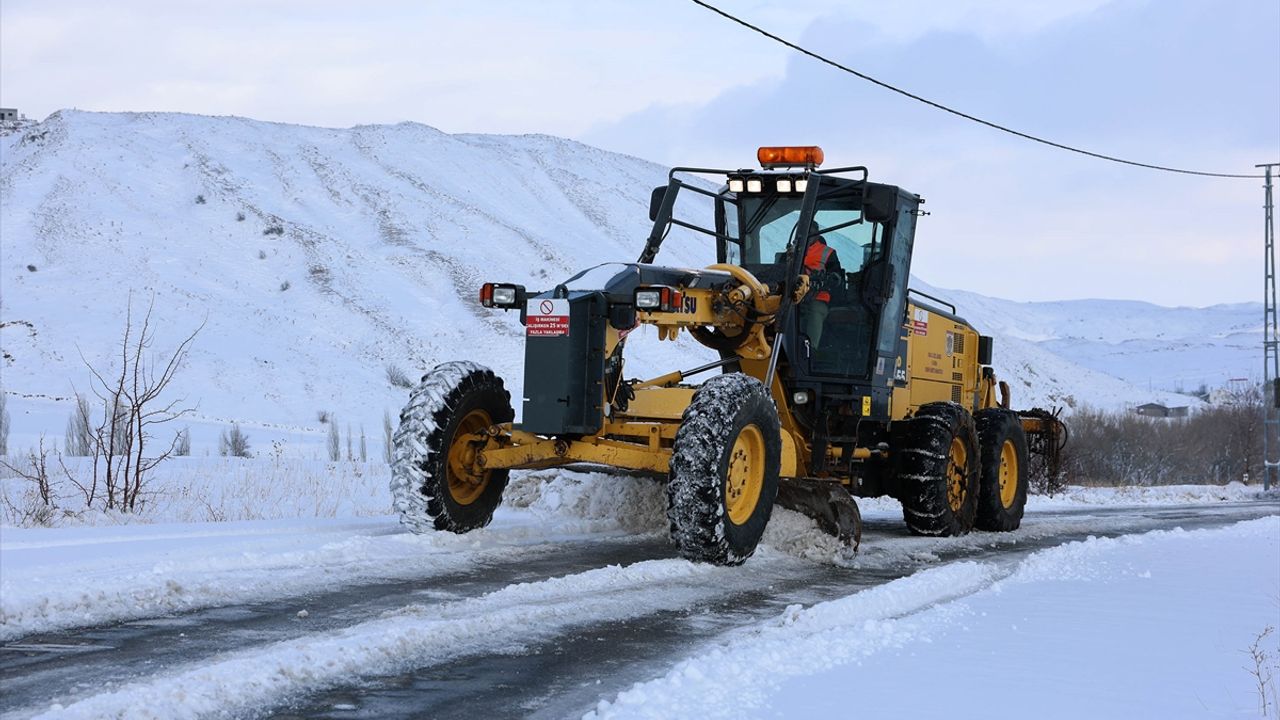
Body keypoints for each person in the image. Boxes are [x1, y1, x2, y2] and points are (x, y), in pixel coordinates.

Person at [801, 221, 842, 347]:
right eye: (804, 232)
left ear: (817, 235)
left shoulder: (828, 253)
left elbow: (837, 277)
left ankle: (811, 349)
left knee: (815, 311)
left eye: (811, 233)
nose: (808, 235)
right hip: (793, 297)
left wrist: (827, 279)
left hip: (817, 297)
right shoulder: (791, 252)